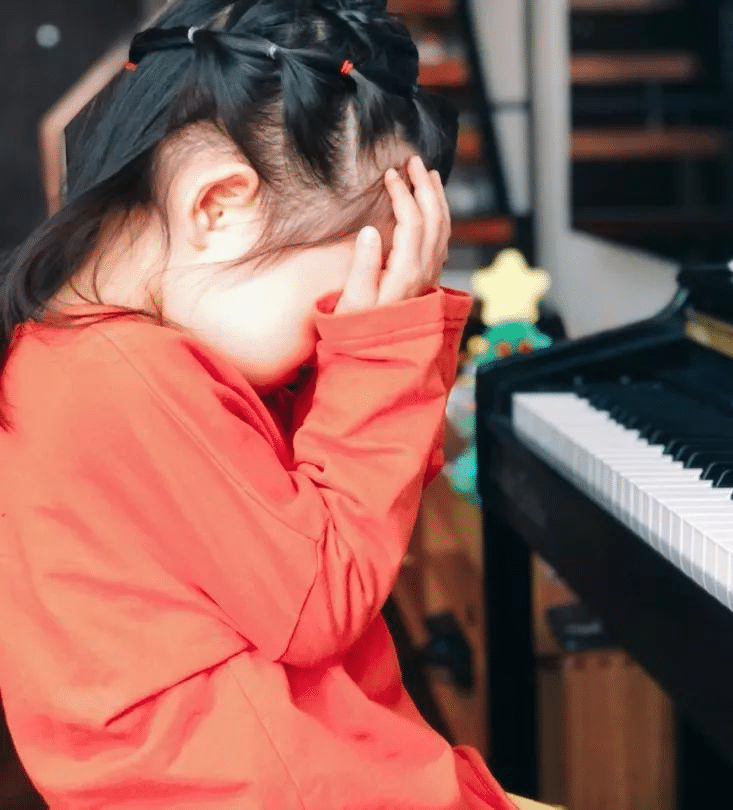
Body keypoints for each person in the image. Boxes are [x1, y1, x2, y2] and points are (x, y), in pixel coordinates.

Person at [0, 1, 554, 808]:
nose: (339, 329)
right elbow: (319, 594)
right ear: (219, 208)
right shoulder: (122, 375)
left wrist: (388, 340)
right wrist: (387, 345)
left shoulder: (85, 354)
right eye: (336, 299)